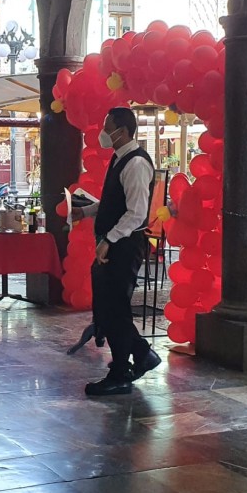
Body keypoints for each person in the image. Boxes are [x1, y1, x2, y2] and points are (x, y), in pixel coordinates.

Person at [72, 107, 161, 396]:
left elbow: (136, 213)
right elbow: (114, 203)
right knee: (109, 308)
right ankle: (142, 355)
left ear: (121, 131)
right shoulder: (119, 158)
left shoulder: (135, 164)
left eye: (106, 126)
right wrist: (85, 211)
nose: (103, 131)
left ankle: (122, 372)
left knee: (115, 308)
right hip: (114, 243)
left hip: (124, 246)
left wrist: (108, 239)